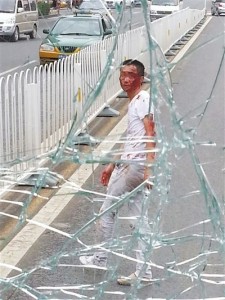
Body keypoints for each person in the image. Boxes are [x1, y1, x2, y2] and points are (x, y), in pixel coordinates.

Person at [79, 59, 155, 286]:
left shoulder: (142, 100)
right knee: (139, 220)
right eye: (123, 74)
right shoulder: (136, 102)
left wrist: (149, 168)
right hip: (134, 166)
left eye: (131, 74)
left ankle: (99, 259)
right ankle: (145, 273)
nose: (125, 78)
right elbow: (133, 138)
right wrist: (113, 163)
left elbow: (151, 133)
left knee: (107, 212)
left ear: (140, 78)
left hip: (135, 167)